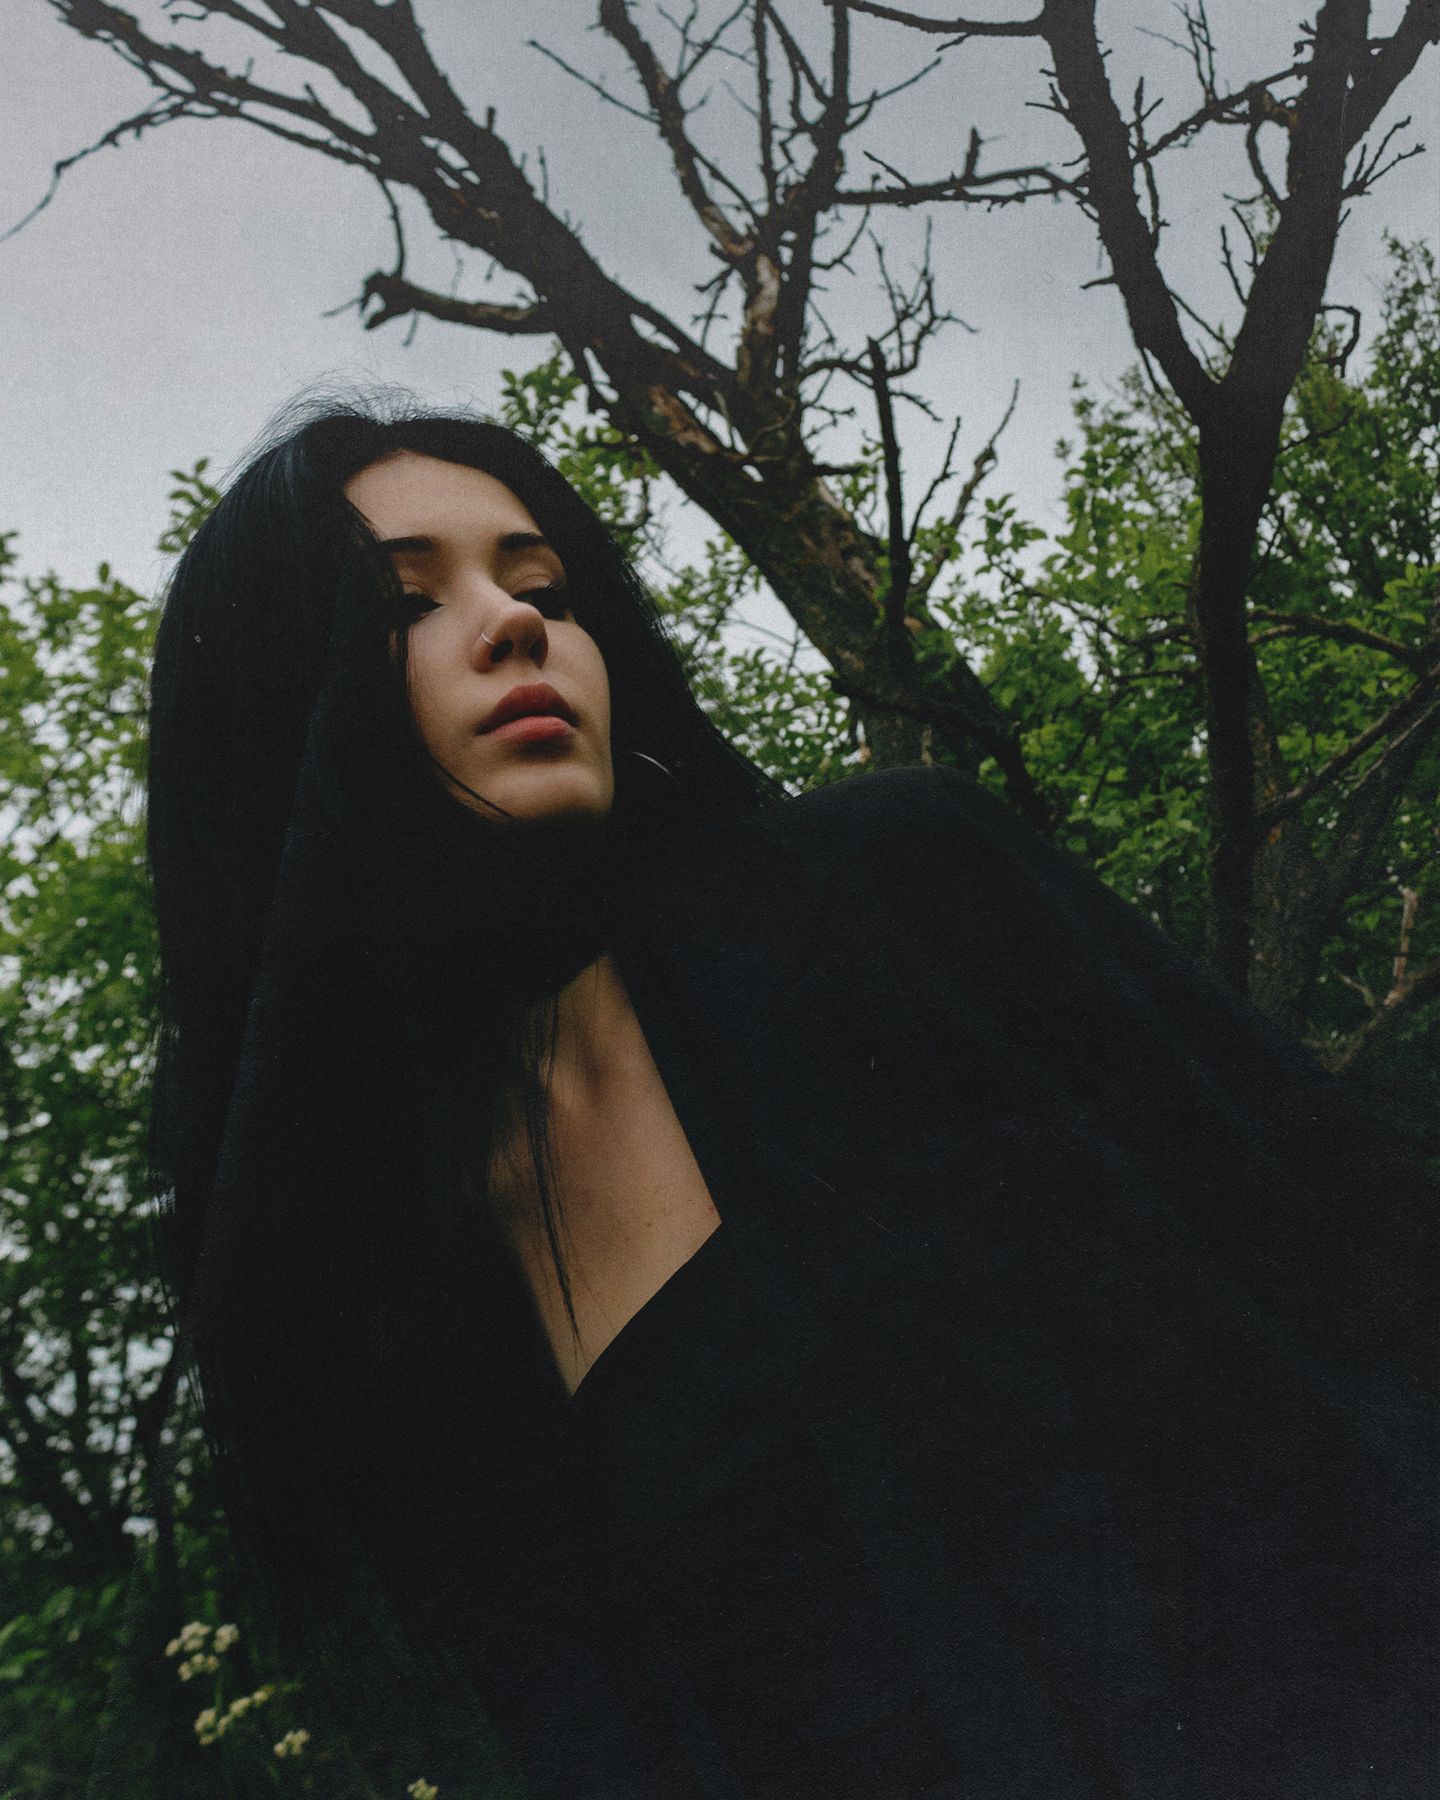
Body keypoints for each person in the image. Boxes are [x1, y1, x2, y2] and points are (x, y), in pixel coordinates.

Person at [145, 400, 1434, 1799]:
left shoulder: (894, 895)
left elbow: (1361, 1278)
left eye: (547, 590)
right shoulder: (371, 1302)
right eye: (404, 605)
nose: (516, 625)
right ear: (278, 715)